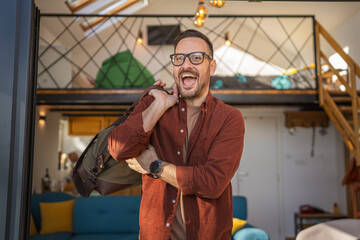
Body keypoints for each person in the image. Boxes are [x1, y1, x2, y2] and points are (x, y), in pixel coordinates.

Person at [108, 29, 245, 240]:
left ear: (212, 66)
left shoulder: (230, 118)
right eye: (179, 58)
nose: (186, 64)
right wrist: (157, 107)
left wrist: (155, 166)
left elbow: (212, 183)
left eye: (196, 58)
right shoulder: (152, 104)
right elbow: (118, 149)